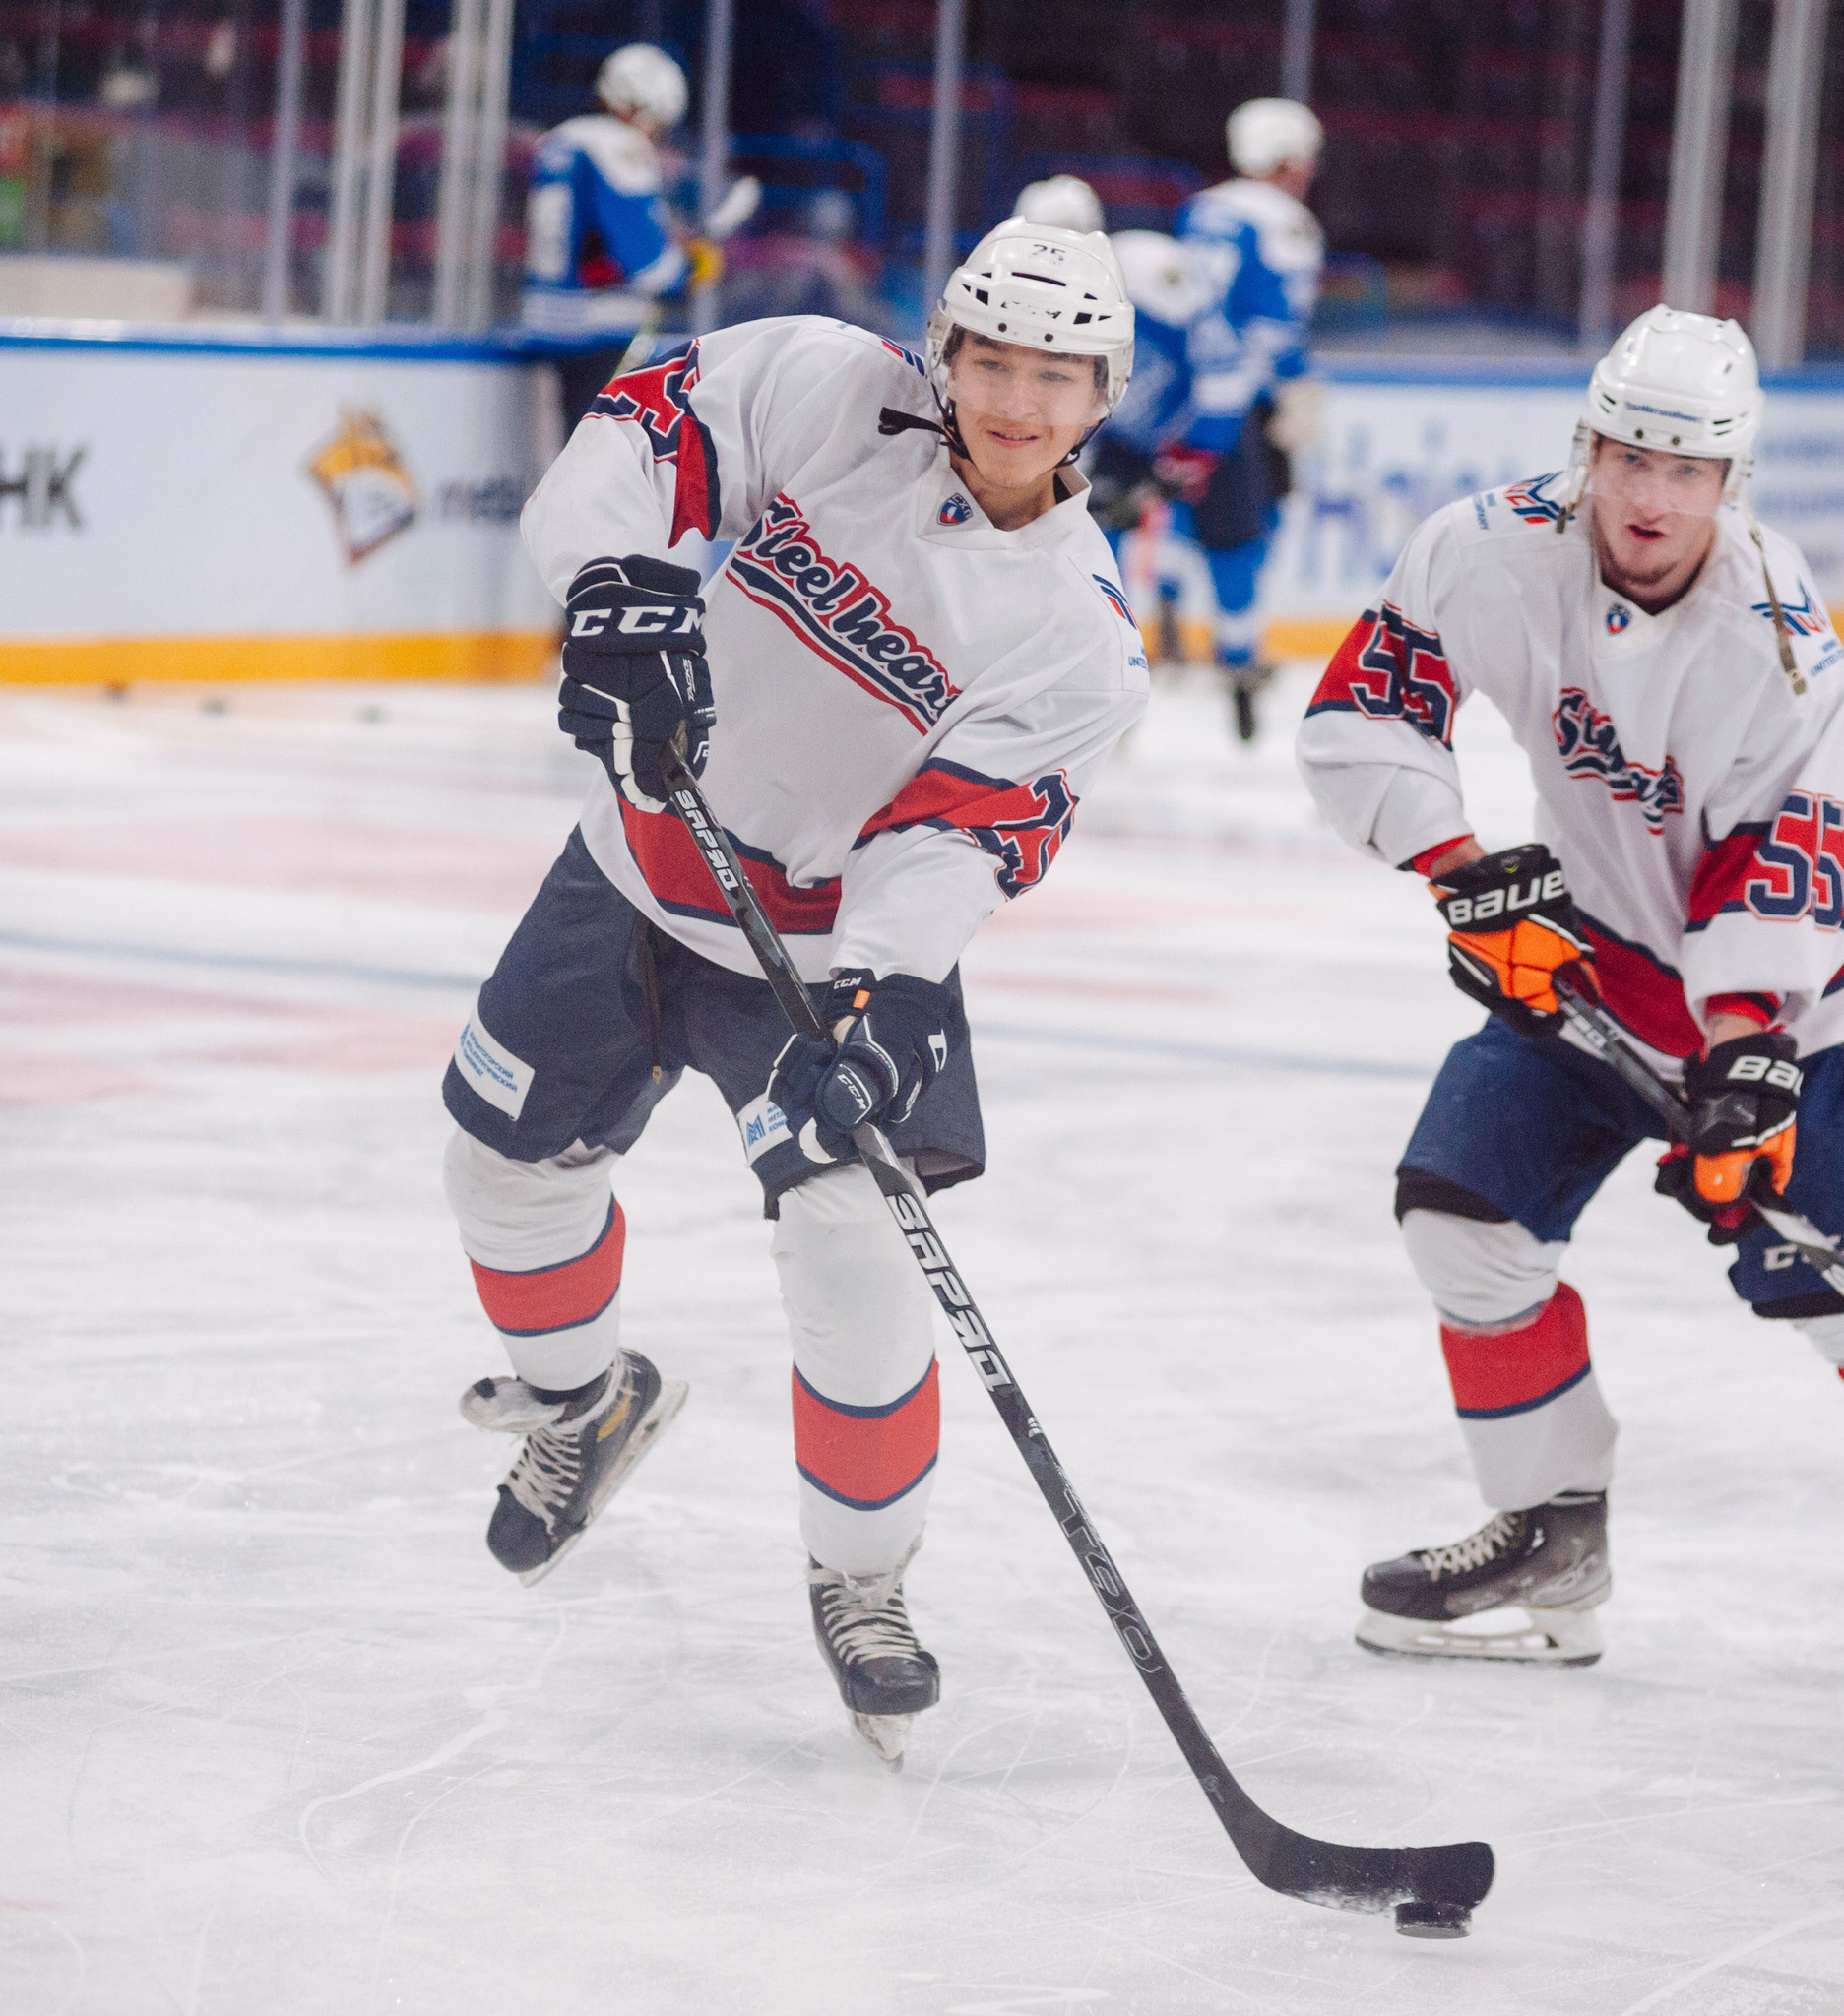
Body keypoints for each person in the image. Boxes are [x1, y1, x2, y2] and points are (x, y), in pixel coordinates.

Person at [443, 220, 1146, 1764]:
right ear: (940, 352)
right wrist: (619, 585)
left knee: (852, 1251)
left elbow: (959, 839)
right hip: (634, 872)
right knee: (498, 1171)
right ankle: (583, 1402)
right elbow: (635, 438)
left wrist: (889, 997)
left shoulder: (1079, 638)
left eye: (1057, 374)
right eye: (993, 360)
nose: (1018, 400)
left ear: (1104, 395)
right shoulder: (827, 387)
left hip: (824, 962)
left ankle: (863, 1580)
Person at [1292, 307, 1844, 1709]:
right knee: (1463, 1222)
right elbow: (1367, 709)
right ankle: (1553, 1538)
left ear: (1732, 484)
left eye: (1686, 470)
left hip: (1795, 1012)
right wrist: (1462, 875)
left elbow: (1797, 848)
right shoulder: (1485, 550)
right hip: (1581, 968)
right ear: (1584, 448)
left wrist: (1751, 1048)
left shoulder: (1773, 636)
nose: (1650, 496)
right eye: (1628, 456)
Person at [1012, 176, 1233, 669]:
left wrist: (1193, 447)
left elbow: (1215, 358)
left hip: (1137, 437)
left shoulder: (1149, 272)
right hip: (1088, 436)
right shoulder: (1007, 284)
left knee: (1097, 550)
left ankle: (1110, 658)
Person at [1176, 97, 1325, 741]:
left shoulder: (1202, 209)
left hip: (1185, 394)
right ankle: (1238, 661)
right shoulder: (1286, 222)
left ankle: (1167, 617)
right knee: (1245, 532)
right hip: (1241, 402)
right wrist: (1293, 386)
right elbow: (1275, 327)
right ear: (1288, 158)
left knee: (1173, 517)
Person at [522, 42, 727, 428]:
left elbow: (589, 234)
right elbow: (645, 261)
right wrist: (687, 270)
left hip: (545, 318)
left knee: (569, 443)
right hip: (595, 327)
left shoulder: (561, 139)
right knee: (603, 449)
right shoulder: (618, 145)